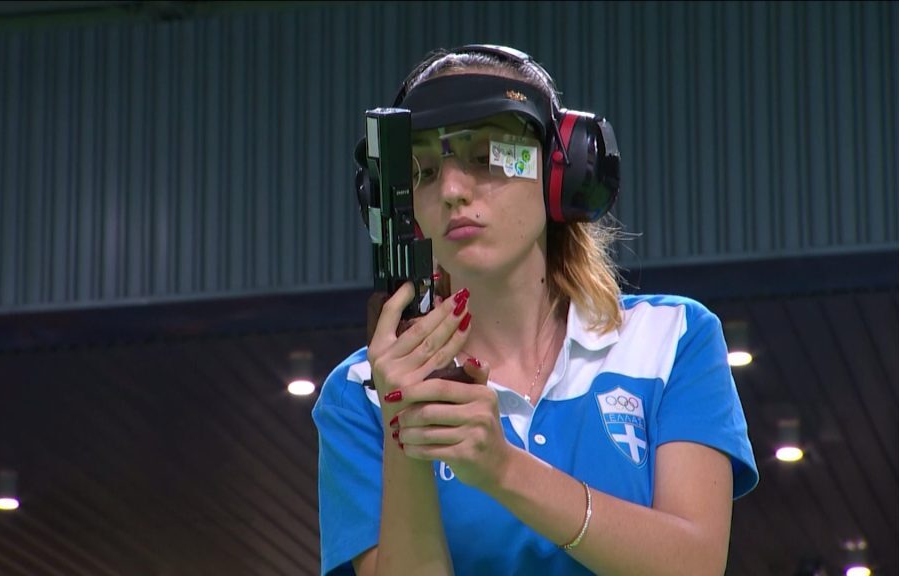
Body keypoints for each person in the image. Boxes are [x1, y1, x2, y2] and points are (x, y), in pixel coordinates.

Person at [312, 44, 758, 576]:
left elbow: (695, 565)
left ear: (560, 172)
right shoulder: (360, 392)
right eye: (424, 171)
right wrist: (404, 426)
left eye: (484, 156)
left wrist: (503, 468)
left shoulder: (673, 338)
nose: (451, 190)